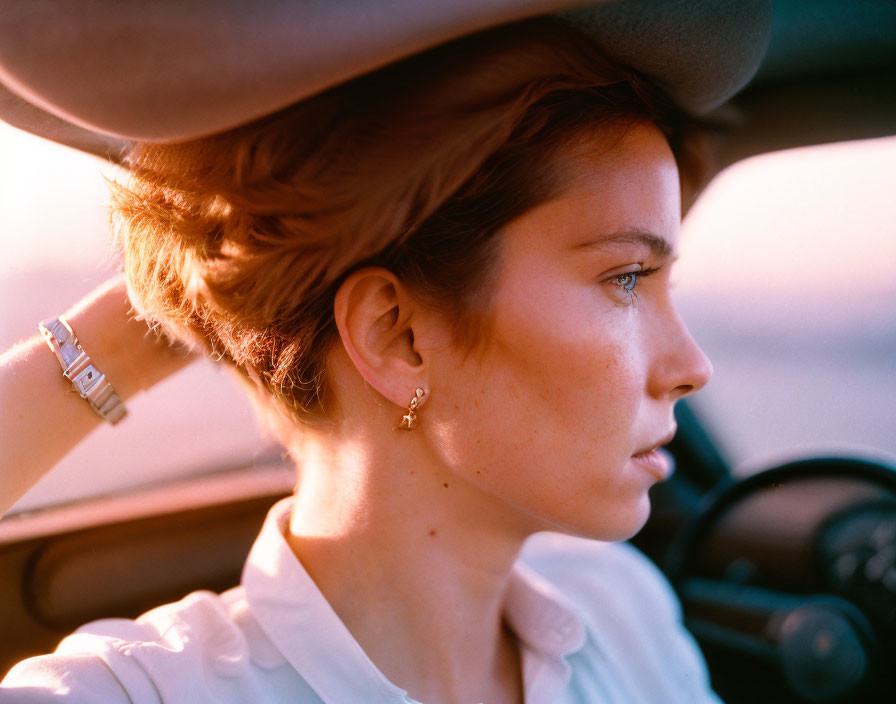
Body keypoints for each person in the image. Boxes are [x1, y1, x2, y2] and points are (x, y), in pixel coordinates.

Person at [0, 4, 770, 702]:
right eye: (627, 278)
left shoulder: (621, 610)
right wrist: (121, 334)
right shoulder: (140, 693)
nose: (690, 366)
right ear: (395, 337)